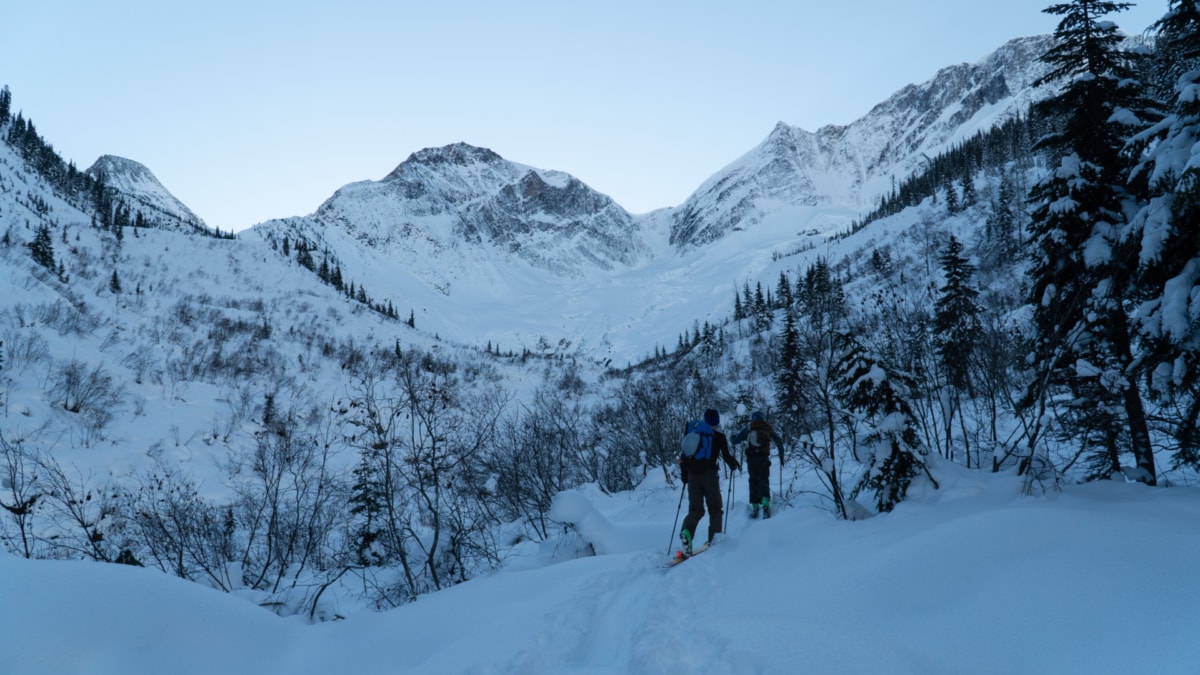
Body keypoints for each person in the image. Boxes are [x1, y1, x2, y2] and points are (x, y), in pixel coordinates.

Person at [678, 408, 740, 555]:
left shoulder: (693, 435)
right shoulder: (718, 437)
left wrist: (685, 476)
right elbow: (726, 456)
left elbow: (684, 457)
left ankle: (687, 532)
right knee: (715, 508)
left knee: (695, 510)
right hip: (709, 476)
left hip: (693, 475)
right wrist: (733, 464)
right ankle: (715, 540)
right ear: (717, 422)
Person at [730, 410, 785, 518]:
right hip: (764, 458)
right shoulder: (767, 428)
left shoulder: (749, 428)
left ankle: (755, 506)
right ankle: (765, 505)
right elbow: (778, 440)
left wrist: (732, 438)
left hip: (751, 459)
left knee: (753, 480)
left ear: (753, 419)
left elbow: (735, 441)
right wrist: (781, 454)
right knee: (764, 479)